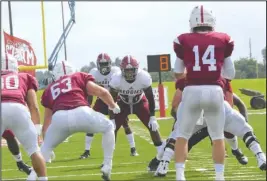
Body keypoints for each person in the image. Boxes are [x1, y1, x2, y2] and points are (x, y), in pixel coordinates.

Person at [153, 76, 266, 176]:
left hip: (196, 111)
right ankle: (259, 156)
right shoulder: (219, 75)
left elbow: (175, 105)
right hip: (215, 108)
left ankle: (164, 164)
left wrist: (180, 120)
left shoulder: (187, 78)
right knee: (243, 129)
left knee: (178, 136)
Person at [173, 5, 236, 180]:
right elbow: (230, 74)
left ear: (192, 22)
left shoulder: (183, 40)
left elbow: (178, 71)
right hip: (215, 91)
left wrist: (192, 72)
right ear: (212, 21)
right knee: (217, 136)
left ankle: (180, 176)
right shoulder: (224, 39)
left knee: (182, 135)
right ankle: (219, 177)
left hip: (192, 90)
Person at [40, 60, 120, 181]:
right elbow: (102, 92)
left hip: (59, 118)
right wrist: (113, 105)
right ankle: (107, 165)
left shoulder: (50, 88)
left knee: (43, 151)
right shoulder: (78, 76)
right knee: (109, 126)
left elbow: (47, 121)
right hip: (82, 112)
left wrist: (47, 144)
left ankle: (33, 177)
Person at [108, 55, 165, 168]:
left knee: (152, 127)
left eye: (131, 70)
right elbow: (111, 100)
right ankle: (107, 159)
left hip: (139, 102)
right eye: (127, 70)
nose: (129, 73)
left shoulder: (143, 77)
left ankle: (161, 155)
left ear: (137, 69)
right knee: (111, 129)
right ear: (122, 70)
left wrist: (153, 117)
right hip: (122, 103)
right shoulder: (116, 79)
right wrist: (112, 119)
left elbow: (150, 98)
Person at [80, 53, 138, 159]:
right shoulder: (94, 73)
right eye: (101, 64)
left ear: (110, 63)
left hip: (115, 100)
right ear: (97, 65)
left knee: (124, 124)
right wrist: (88, 106)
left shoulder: (116, 71)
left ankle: (133, 148)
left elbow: (122, 85)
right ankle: (87, 151)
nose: (103, 66)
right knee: (90, 123)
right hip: (101, 100)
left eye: (105, 64)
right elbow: (90, 91)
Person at [1, 54, 47, 180]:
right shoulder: (24, 76)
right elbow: (34, 106)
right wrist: (37, 131)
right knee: (34, 150)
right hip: (18, 108)